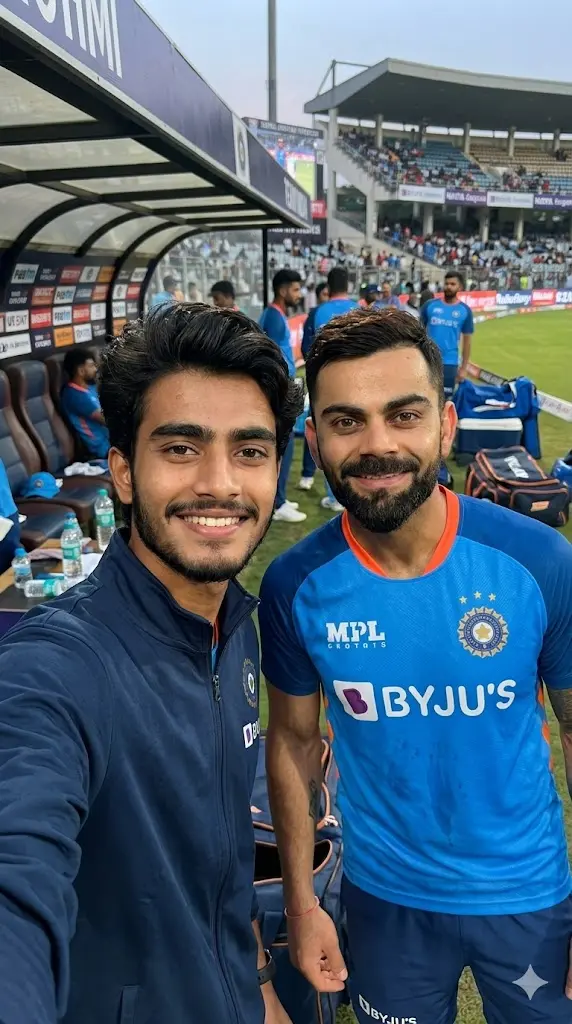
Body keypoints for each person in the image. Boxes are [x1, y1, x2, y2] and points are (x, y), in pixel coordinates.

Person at [259, 306, 572, 1024]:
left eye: (404, 415)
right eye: (346, 422)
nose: (377, 446)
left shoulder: (540, 562)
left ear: (447, 425)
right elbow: (295, 744)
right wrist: (304, 906)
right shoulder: (295, 586)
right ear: (314, 438)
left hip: (529, 896)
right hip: (385, 901)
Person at [0, 303, 300, 1024]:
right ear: (124, 474)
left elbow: (215, 855)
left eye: (250, 451)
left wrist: (256, 983)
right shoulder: (57, 665)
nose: (220, 483)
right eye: (180, 448)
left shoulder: (236, 625)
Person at [260, 269, 307, 524]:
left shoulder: (275, 315)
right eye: (295, 289)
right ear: (283, 290)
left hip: (283, 385)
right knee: (283, 446)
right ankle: (277, 504)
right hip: (279, 388)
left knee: (284, 446)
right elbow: (271, 356)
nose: (298, 295)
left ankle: (281, 498)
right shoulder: (275, 318)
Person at [312, 266, 359, 513]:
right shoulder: (361, 310)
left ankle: (335, 495)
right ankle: (357, 487)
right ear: (348, 286)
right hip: (360, 383)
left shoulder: (320, 312)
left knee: (332, 433)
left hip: (330, 382)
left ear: (328, 288)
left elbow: (309, 348)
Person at [420, 270, 474, 398]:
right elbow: (418, 332)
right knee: (425, 398)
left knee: (444, 400)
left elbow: (467, 341)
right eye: (446, 283)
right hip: (428, 359)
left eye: (452, 284)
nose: (448, 286)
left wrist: (464, 367)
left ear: (459, 287)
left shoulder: (464, 311)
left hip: (450, 362)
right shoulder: (430, 306)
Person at [299, 281, 329, 491]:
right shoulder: (315, 314)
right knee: (314, 424)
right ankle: (307, 474)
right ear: (319, 296)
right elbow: (305, 347)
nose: (328, 298)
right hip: (319, 382)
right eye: (325, 294)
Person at [60, 347, 110, 459]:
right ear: (81, 371)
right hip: (102, 449)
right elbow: (107, 419)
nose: (95, 369)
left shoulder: (91, 388)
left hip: (113, 442)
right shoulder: (74, 395)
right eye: (91, 366)